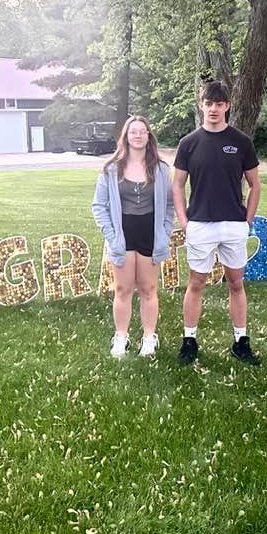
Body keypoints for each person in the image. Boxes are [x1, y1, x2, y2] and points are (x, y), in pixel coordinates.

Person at [173, 80, 262, 365]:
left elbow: (255, 184)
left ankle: (241, 342)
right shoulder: (188, 143)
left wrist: (247, 220)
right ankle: (189, 341)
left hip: (233, 225)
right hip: (200, 224)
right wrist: (184, 221)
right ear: (202, 105)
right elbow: (177, 186)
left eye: (219, 104)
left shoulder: (241, 142)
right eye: (209, 103)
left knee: (236, 283)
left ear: (227, 106)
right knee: (196, 282)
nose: (213, 109)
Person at [91, 116, 175, 358]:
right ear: (126, 137)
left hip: (149, 234)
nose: (138, 135)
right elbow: (99, 206)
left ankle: (149, 338)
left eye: (142, 132)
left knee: (148, 288)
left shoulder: (160, 169)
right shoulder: (111, 169)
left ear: (149, 136)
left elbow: (170, 205)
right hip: (122, 235)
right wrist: (111, 234)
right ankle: (121, 337)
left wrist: (165, 231)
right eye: (133, 132)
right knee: (122, 288)